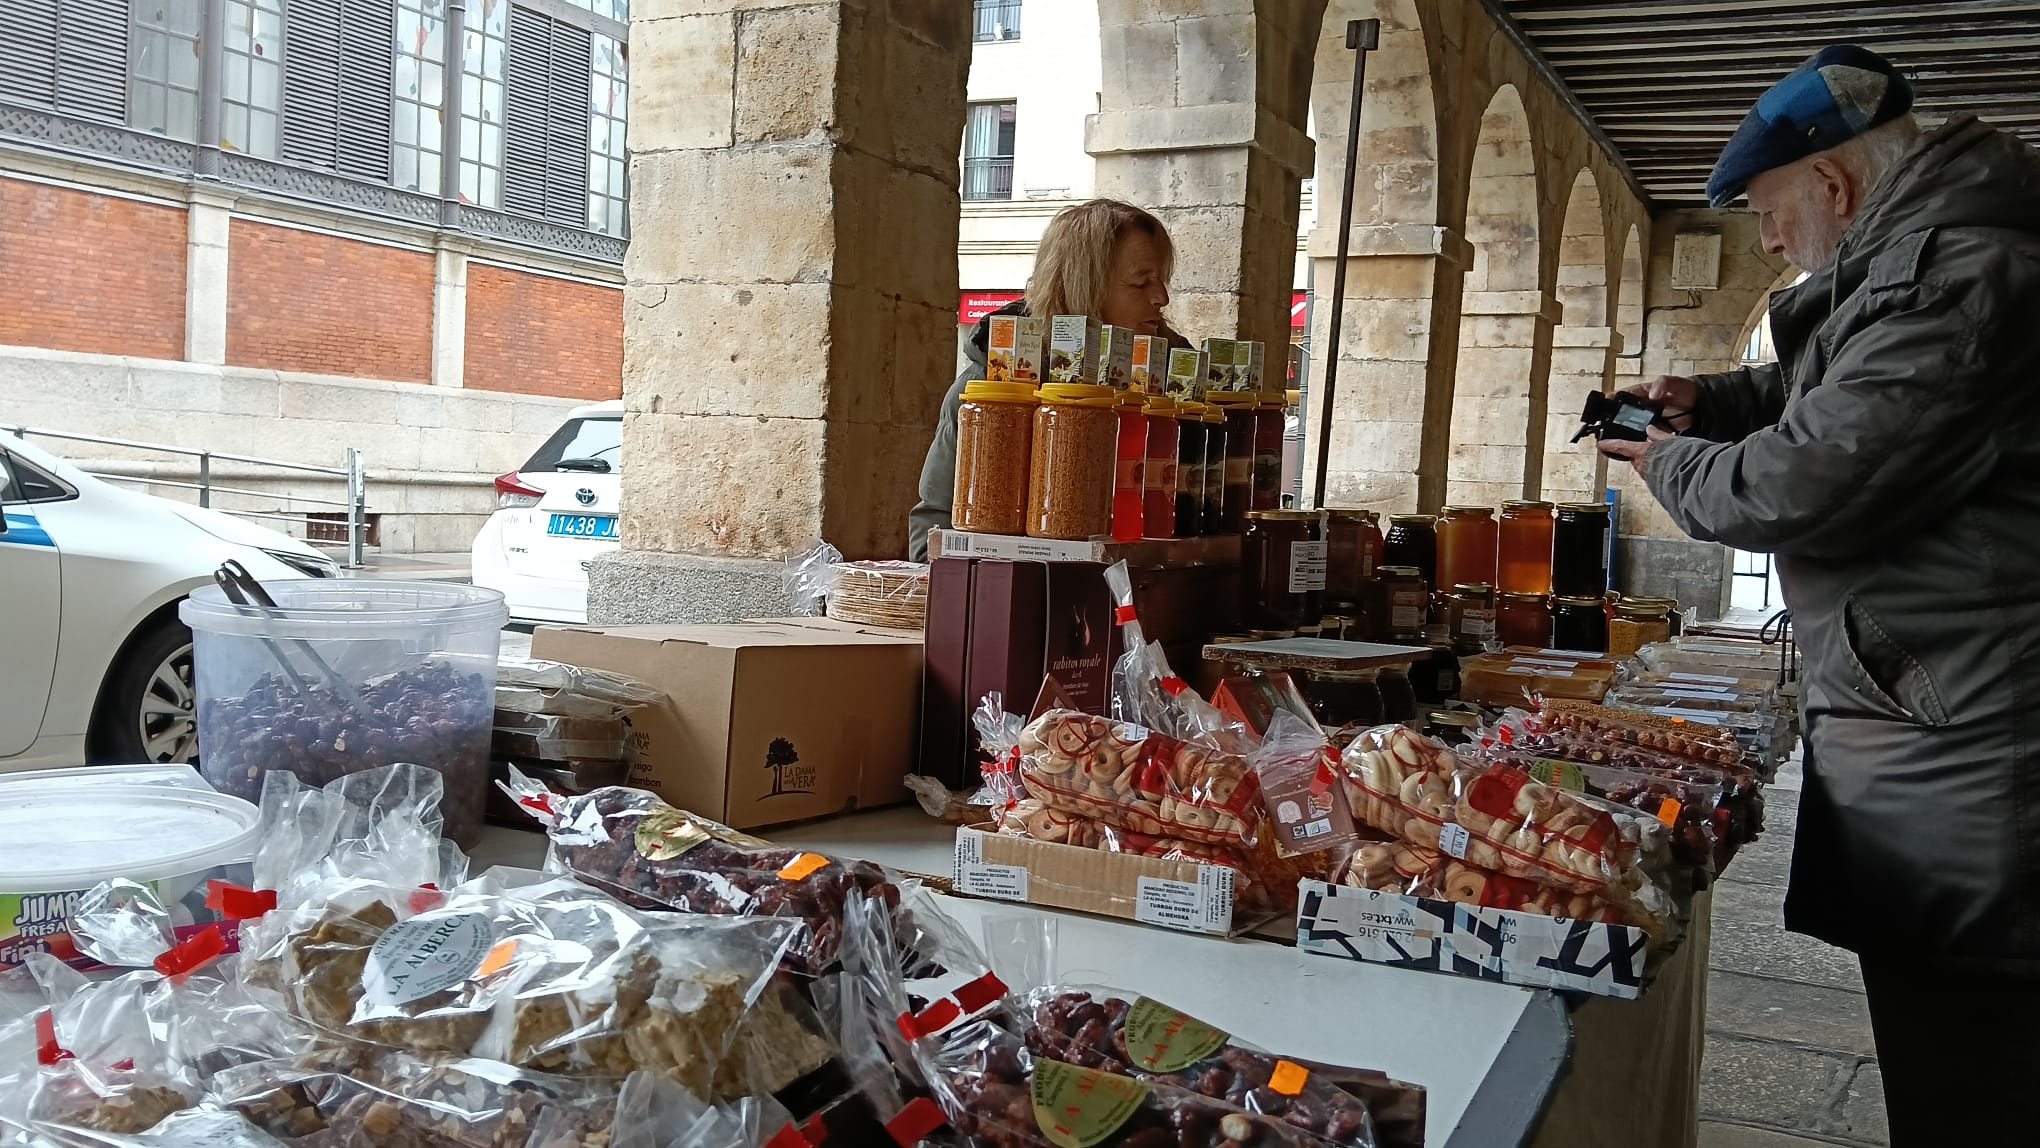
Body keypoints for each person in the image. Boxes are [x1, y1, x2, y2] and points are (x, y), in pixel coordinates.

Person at [1598, 45, 2040, 1143]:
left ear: (1832, 185)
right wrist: (1718, 399)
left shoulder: (1961, 277)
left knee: (1972, 1066)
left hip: (1973, 749)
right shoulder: (1933, 258)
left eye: (1768, 211)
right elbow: (1846, 383)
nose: (1768, 240)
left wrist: (1666, 457)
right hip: (1943, 717)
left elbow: (1806, 484)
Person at [908, 199, 1184, 561]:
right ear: (1083, 288)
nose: (1161, 297)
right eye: (1140, 283)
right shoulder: (993, 386)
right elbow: (932, 532)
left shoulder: (1176, 382)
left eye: (1161, 281)